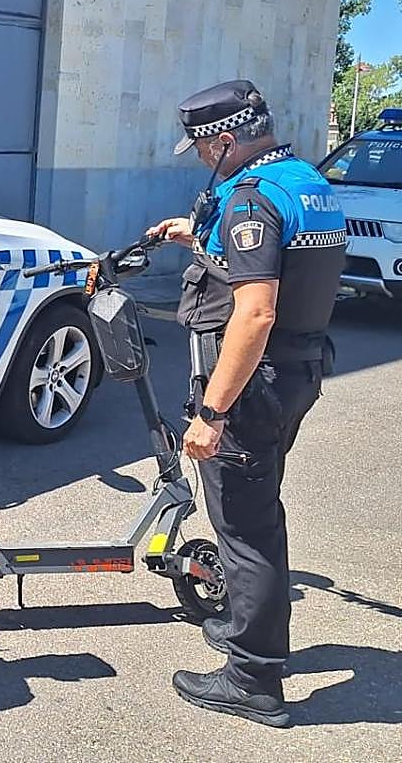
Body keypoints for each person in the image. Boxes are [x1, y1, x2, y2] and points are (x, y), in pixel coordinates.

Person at [148, 80, 345, 727]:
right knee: (257, 508)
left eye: (203, 149)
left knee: (245, 525)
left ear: (225, 139)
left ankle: (253, 678)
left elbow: (255, 313)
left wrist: (211, 415)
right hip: (297, 372)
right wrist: (198, 240)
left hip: (250, 390)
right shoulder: (305, 183)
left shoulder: (250, 203)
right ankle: (242, 624)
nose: (202, 160)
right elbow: (277, 272)